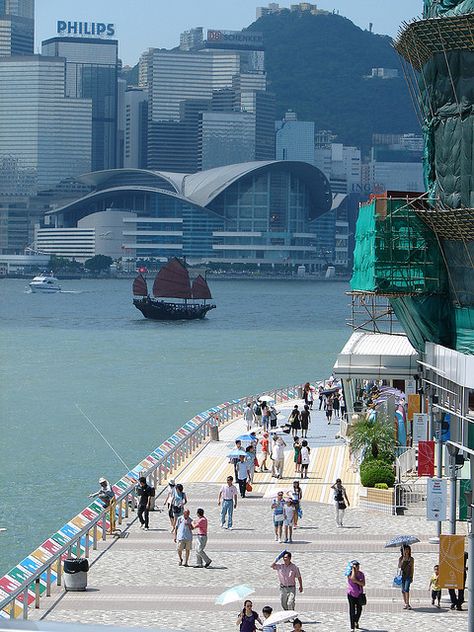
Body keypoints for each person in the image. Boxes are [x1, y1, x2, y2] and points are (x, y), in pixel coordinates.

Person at [347, 560, 365, 632]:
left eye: (358, 566)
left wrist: (358, 582)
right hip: (351, 594)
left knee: (359, 610)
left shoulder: (361, 574)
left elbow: (363, 584)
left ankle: (356, 621)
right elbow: (353, 579)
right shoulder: (349, 573)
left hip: (359, 595)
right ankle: (352, 627)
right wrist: (353, 570)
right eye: (356, 566)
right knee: (352, 610)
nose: (358, 567)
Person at [398, 545, 414, 609]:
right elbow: (399, 566)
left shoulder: (411, 559)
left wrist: (412, 577)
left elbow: (412, 568)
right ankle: (405, 603)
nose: (407, 551)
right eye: (405, 550)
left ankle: (407, 603)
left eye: (408, 549)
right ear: (402, 551)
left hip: (408, 576)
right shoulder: (401, 558)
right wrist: (403, 560)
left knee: (406, 589)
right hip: (402, 576)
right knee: (403, 590)